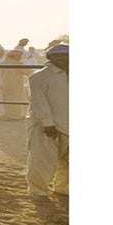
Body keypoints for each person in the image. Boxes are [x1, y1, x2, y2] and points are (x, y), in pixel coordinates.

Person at [26, 43, 69, 198]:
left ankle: (62, 188)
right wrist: (48, 124)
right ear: (50, 58)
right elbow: (39, 102)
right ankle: (38, 191)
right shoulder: (39, 76)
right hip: (46, 127)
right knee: (42, 160)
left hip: (68, 124)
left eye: (67, 56)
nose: (65, 60)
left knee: (68, 163)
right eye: (60, 57)